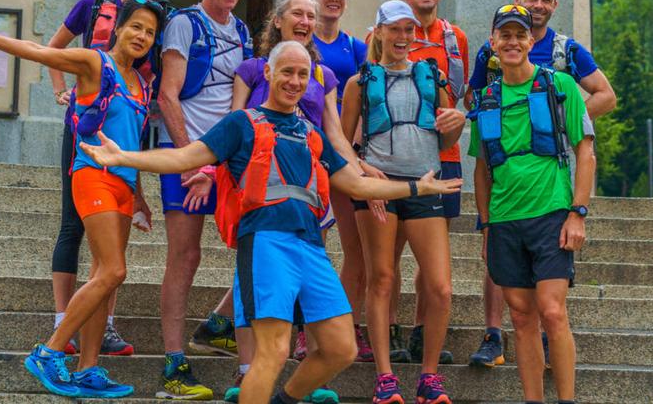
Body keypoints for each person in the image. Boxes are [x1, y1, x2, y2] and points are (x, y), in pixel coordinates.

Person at [79, 40, 464, 404]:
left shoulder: (311, 133)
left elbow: (354, 182)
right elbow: (184, 158)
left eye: (302, 74)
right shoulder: (242, 123)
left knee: (341, 347)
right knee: (274, 350)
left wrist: (417, 187)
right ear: (268, 72)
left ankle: (283, 399)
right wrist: (123, 157)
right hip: (266, 243)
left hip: (310, 247)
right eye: (287, 72)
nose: (295, 81)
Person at [0, 0, 165, 398]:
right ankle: (49, 352)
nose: (142, 36)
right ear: (118, 28)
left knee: (100, 277)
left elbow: (133, 141)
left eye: (150, 32)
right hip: (93, 177)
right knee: (114, 272)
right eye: (136, 26)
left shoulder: (142, 83)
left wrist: (139, 195)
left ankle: (88, 369)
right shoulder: (93, 62)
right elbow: (41, 51)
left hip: (124, 184)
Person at [228, 0, 381, 404]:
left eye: (311, 15)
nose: (307, 20)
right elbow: (232, 123)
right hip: (263, 181)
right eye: (298, 12)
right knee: (259, 298)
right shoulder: (253, 68)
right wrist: (214, 171)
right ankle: (248, 369)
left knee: (300, 275)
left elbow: (334, 132)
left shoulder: (322, 74)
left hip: (312, 177)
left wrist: (359, 168)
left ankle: (284, 373)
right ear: (278, 19)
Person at [464, 0, 615, 369]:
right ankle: (493, 335)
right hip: (504, 171)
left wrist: (563, 128)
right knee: (502, 258)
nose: (539, 5)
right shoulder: (490, 49)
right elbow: (472, 97)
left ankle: (547, 343)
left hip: (551, 170)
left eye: (546, 0)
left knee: (548, 289)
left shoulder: (568, 48)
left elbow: (606, 95)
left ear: (554, 6)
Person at [47, 0, 171, 356]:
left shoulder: (154, 22)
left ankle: (107, 325)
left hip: (123, 140)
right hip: (84, 132)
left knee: (113, 251)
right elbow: (56, 48)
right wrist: (60, 92)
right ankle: (64, 318)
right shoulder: (92, 4)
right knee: (71, 226)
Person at [342, 0, 466, 404]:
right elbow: (343, 146)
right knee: (381, 278)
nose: (402, 37)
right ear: (377, 32)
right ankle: (385, 378)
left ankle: (429, 377)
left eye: (408, 30)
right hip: (380, 188)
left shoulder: (433, 76)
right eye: (394, 29)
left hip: (427, 183)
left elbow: (445, 140)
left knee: (441, 287)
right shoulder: (359, 82)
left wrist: (456, 125)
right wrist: (363, 173)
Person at [154, 0, 253, 400]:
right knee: (186, 256)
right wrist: (193, 162)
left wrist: (221, 164)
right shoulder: (184, 23)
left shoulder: (245, 30)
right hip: (187, 153)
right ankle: (174, 363)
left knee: (255, 248)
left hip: (224, 161)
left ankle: (217, 324)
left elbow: (240, 102)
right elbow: (167, 96)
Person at [389, 0, 470, 364]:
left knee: (430, 253)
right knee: (390, 251)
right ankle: (388, 331)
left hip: (445, 156)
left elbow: (462, 96)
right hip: (397, 157)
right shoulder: (387, 35)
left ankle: (421, 332)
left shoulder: (455, 38)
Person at [310, 0, 372, 364]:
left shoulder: (355, 47)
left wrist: (359, 151)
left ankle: (346, 326)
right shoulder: (304, 40)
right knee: (311, 248)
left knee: (355, 251)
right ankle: (306, 331)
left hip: (342, 155)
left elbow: (366, 100)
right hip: (303, 154)